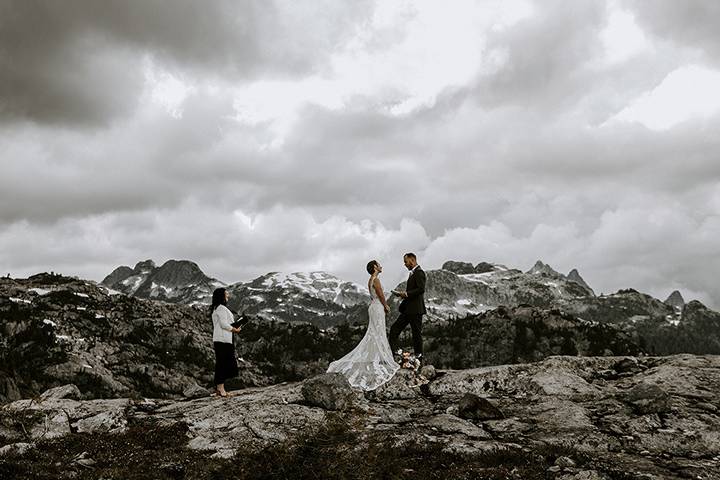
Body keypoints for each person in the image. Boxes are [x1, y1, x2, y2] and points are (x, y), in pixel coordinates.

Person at [326, 260, 400, 390]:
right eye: (379, 264)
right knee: (379, 331)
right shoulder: (376, 280)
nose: (381, 266)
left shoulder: (370, 279)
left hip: (373, 306)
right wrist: (386, 305)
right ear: (375, 267)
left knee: (374, 332)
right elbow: (381, 295)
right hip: (377, 306)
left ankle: (377, 357)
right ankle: (381, 358)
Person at [389, 253, 426, 364]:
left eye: (406, 261)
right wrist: (403, 295)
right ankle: (398, 352)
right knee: (394, 329)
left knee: (416, 334)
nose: (404, 264)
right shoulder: (412, 273)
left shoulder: (419, 273)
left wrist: (406, 294)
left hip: (416, 310)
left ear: (412, 260)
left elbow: (421, 289)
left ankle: (419, 359)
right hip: (408, 310)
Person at [210, 287, 242, 397]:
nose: (228, 295)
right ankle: (221, 389)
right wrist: (235, 329)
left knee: (221, 363)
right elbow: (224, 324)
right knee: (223, 364)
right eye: (226, 293)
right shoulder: (222, 308)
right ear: (222, 296)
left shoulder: (216, 308)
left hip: (221, 339)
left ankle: (219, 389)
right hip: (223, 339)